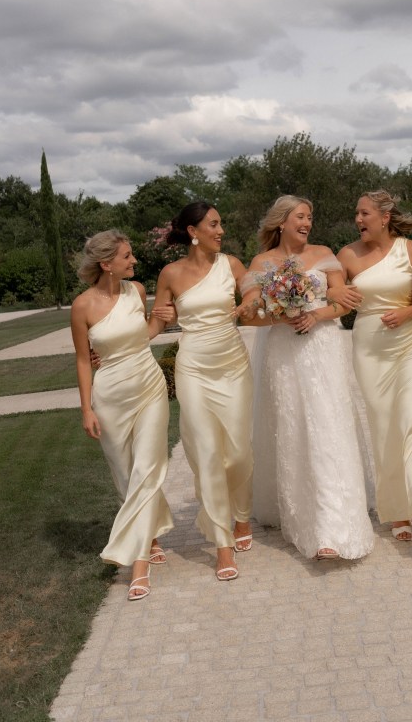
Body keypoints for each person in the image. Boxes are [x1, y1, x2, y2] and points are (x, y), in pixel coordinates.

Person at [241, 195, 374, 562]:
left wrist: (315, 314)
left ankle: (331, 528)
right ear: (281, 221)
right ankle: (302, 514)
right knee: (294, 428)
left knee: (328, 427)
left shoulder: (324, 254)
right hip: (284, 353)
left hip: (322, 349)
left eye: (310, 217)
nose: (307, 223)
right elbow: (250, 313)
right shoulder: (261, 263)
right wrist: (279, 314)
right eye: (301, 216)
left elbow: (343, 303)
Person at [331, 191, 412, 543]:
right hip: (369, 349)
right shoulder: (346, 255)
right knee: (384, 426)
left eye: (364, 213)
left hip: (408, 343)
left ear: (385, 217)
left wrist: (409, 311)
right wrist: (329, 296)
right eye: (356, 213)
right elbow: (337, 299)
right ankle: (396, 510)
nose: (358, 219)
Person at [71, 230, 175, 602]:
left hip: (148, 386)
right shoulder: (82, 306)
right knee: (126, 473)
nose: (134, 261)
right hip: (110, 395)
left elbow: (142, 334)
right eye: (127, 256)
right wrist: (86, 408)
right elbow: (83, 360)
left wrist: (163, 321)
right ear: (106, 264)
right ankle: (152, 534)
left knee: (147, 467)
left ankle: (139, 564)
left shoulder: (137, 291)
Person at [153, 202, 254, 581]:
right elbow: (154, 325)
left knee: (239, 451)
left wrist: (250, 302)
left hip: (233, 365)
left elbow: (255, 293)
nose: (221, 230)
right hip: (193, 368)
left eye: (221, 224)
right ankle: (222, 542)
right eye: (214, 224)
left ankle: (242, 515)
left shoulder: (232, 264)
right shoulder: (170, 274)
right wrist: (115, 346)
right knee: (208, 453)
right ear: (194, 232)